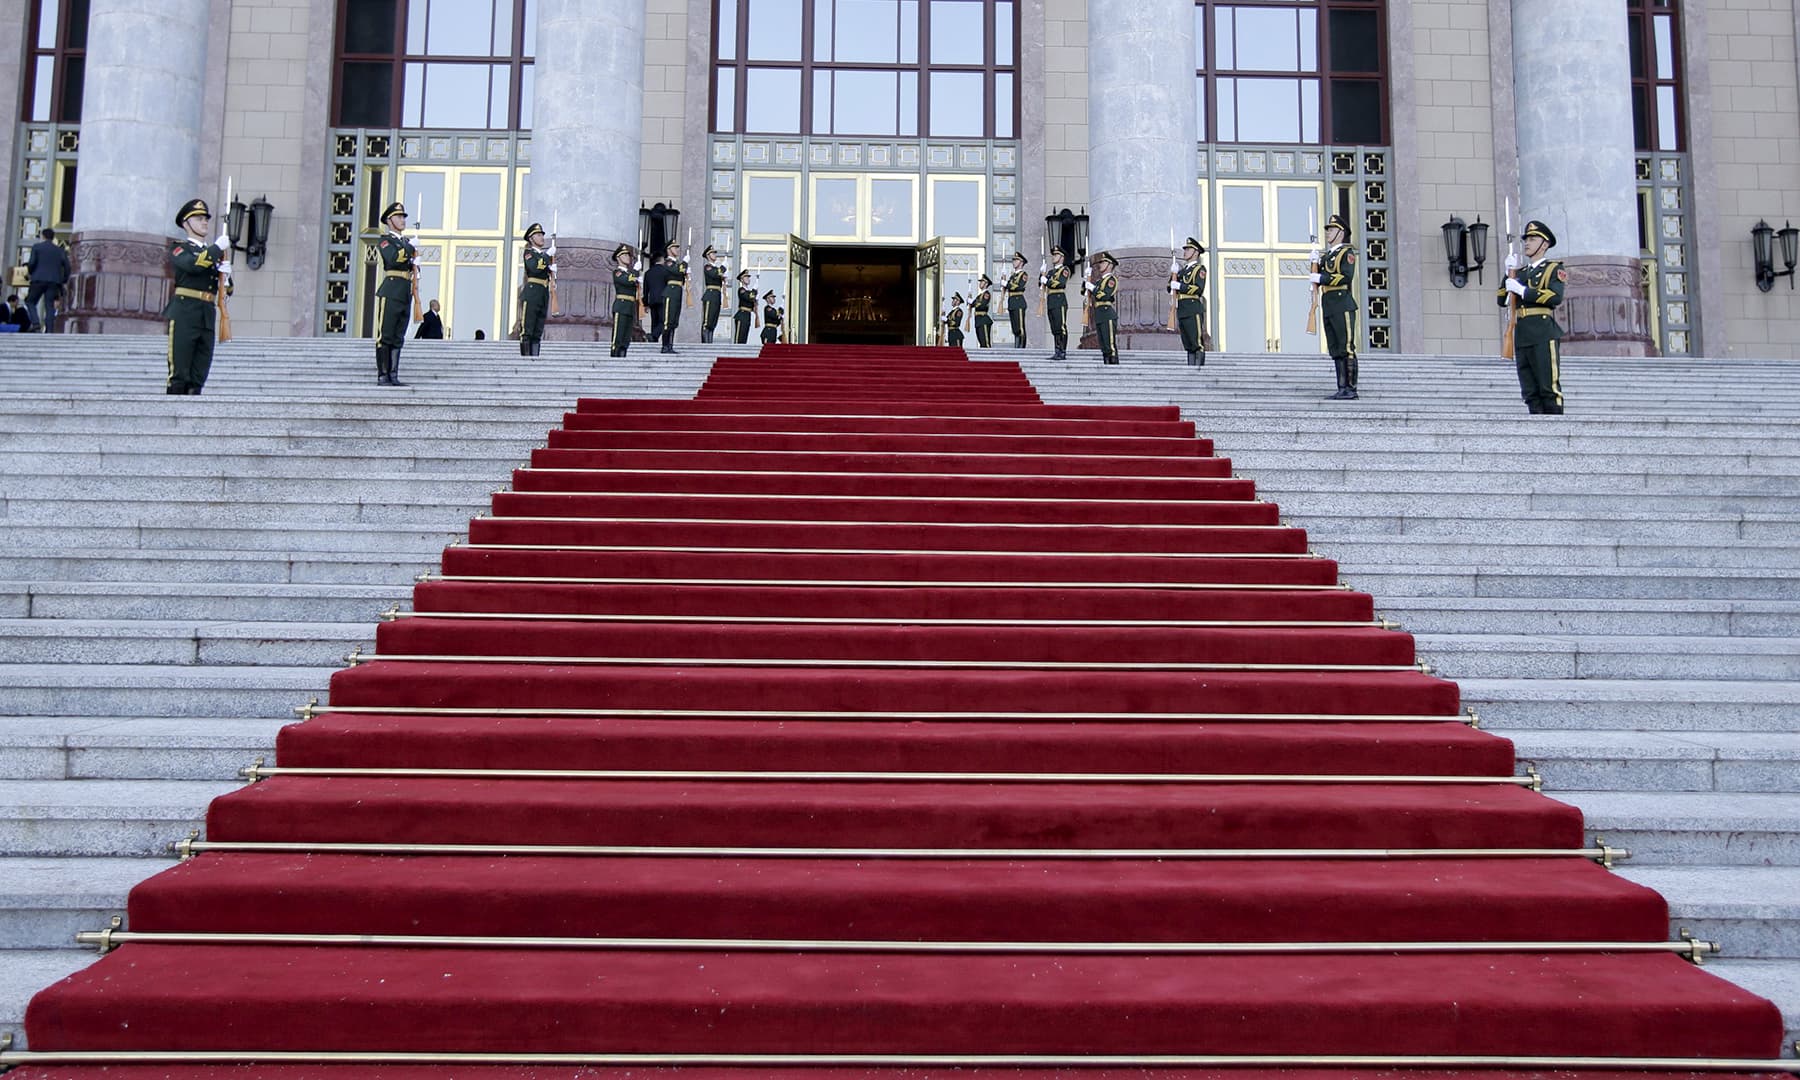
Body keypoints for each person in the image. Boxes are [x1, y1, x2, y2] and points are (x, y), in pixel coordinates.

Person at [163, 198, 233, 395]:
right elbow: (193, 265)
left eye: (206, 219)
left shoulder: (212, 255)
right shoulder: (179, 248)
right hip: (185, 312)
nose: (204, 222)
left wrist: (226, 277)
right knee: (179, 372)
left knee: (199, 373)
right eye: (199, 218)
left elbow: (226, 292)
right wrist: (217, 249)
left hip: (206, 314)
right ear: (186, 223)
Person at [1500, 219, 1567, 414]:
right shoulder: (1519, 273)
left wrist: (1523, 290)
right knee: (1529, 390)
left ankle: (1556, 431)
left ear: (1544, 244)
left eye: (1533, 239)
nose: (1527, 243)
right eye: (1526, 239)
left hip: (1542, 332)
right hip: (1522, 334)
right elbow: (1501, 299)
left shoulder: (1553, 269)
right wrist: (1507, 275)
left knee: (1548, 387)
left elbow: (1555, 297)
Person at [1312, 213, 1359, 400]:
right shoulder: (1328, 256)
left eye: (1331, 230)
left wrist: (1321, 278)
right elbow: (1317, 276)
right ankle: (1341, 388)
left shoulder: (1346, 253)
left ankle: (1350, 389)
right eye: (1328, 230)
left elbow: (1346, 276)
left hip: (1342, 303)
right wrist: (1314, 262)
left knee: (1346, 346)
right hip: (1329, 304)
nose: (1328, 233)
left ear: (1341, 233)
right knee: (1335, 348)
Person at [373, 201, 416, 386]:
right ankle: (383, 375)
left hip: (404, 292)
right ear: (389, 221)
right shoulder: (385, 240)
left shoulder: (405, 242)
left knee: (398, 336)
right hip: (390, 291)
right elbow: (392, 258)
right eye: (398, 217)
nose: (402, 220)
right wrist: (410, 248)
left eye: (403, 216)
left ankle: (393, 374)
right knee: (386, 335)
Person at [517, 222, 554, 357]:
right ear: (531, 238)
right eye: (538, 235)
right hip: (532, 292)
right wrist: (547, 256)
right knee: (528, 329)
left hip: (543, 293)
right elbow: (534, 268)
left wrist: (551, 270)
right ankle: (526, 361)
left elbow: (543, 270)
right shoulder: (529, 253)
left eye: (542, 235)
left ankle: (534, 359)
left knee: (538, 330)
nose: (542, 238)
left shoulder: (541, 255)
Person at [1171, 237, 1208, 367]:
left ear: (1196, 252)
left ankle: (1199, 372)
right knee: (1188, 344)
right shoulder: (1182, 271)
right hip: (1182, 309)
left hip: (1193, 308)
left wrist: (1180, 286)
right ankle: (1191, 370)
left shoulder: (1199, 269)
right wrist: (1173, 274)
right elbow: (1169, 287)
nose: (1185, 252)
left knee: (1196, 342)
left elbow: (1198, 288)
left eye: (1188, 249)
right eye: (1185, 249)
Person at [25, 227, 70, 333]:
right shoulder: (59, 250)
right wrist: (64, 279)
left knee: (30, 302)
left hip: (38, 279)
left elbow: (31, 263)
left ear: (43, 236)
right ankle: (49, 329)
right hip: (54, 281)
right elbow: (67, 266)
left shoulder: (37, 247)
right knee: (49, 305)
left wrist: (31, 272)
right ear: (53, 237)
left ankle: (36, 323)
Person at [645, 240, 686, 354]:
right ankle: (665, 346)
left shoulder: (676, 263)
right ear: (669, 250)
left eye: (677, 247)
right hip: (670, 293)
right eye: (674, 247)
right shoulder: (668, 262)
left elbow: (680, 276)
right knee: (667, 321)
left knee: (673, 321)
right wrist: (685, 264)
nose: (677, 249)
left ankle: (670, 346)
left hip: (677, 293)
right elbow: (677, 271)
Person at [609, 244, 642, 358]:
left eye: (628, 255)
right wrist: (636, 272)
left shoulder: (629, 273)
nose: (628, 257)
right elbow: (627, 281)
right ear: (618, 257)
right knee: (618, 336)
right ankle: (614, 356)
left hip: (629, 306)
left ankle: (623, 356)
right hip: (621, 306)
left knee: (626, 337)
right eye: (625, 255)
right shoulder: (618, 272)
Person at [1088, 251, 1120, 364]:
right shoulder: (1098, 281)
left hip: (1107, 314)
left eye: (1103, 262)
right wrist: (1085, 283)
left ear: (1110, 265)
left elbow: (1104, 295)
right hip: (1099, 314)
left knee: (1109, 343)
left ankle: (1113, 365)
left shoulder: (1111, 280)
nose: (1100, 264)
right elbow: (1086, 292)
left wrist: (1092, 288)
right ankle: (1106, 363)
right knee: (1103, 344)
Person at [1042, 245, 1073, 359]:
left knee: (1061, 327)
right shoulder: (1050, 272)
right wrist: (1042, 275)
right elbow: (1042, 284)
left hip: (1059, 300)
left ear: (1062, 257)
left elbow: (1060, 283)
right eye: (1053, 255)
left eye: (1056, 255)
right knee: (1054, 328)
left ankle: (1062, 351)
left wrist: (1047, 281)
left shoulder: (1064, 270)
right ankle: (1057, 350)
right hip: (1051, 301)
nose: (1053, 257)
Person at [700, 246, 726, 343]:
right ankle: (705, 344)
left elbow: (718, 275)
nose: (715, 255)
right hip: (710, 295)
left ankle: (709, 343)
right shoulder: (708, 267)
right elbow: (715, 274)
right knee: (707, 322)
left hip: (716, 296)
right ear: (708, 255)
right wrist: (723, 267)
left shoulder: (715, 268)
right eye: (712, 253)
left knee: (713, 322)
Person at [1004, 251, 1029, 348]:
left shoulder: (1023, 275)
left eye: (1016, 260)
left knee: (1020, 327)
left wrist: (1007, 284)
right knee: (1015, 327)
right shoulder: (1013, 275)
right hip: (1012, 302)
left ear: (1021, 262)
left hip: (1018, 301)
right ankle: (1017, 346)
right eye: (1013, 260)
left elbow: (1018, 286)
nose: (1014, 262)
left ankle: (1021, 347)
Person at [733, 269, 758, 344]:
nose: (748, 279)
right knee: (739, 338)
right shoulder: (741, 290)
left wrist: (756, 299)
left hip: (747, 315)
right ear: (741, 279)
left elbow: (753, 304)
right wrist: (754, 290)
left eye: (748, 277)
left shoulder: (749, 292)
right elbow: (748, 297)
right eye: (746, 277)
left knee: (744, 338)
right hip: (742, 315)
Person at [971, 275, 994, 348]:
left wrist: (973, 303)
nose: (980, 283)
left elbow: (982, 305)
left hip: (983, 319)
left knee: (985, 342)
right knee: (981, 342)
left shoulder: (986, 294)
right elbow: (972, 304)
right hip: (978, 320)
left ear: (986, 284)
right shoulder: (980, 295)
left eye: (982, 282)